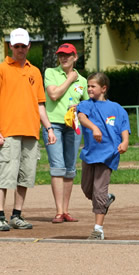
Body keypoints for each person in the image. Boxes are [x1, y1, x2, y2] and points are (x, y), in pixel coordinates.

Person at [0, 28, 56, 231]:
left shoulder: (35, 72)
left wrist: (49, 128)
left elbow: (40, 104)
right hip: (8, 131)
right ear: (10, 46)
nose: (20, 49)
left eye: (23, 46)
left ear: (29, 46)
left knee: (26, 176)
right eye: (16, 46)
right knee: (6, 175)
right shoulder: (0, 70)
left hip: (31, 132)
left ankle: (16, 215)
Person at [77, 72, 130, 240]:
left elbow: (123, 126)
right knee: (87, 189)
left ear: (103, 88)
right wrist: (94, 128)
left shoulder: (116, 108)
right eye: (88, 86)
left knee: (98, 192)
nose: (89, 89)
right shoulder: (86, 104)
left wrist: (125, 141)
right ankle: (105, 199)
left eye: (93, 86)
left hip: (108, 154)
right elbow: (81, 117)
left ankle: (98, 230)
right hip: (90, 154)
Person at [43, 43, 89, 223]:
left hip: (74, 126)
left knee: (70, 168)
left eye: (68, 55)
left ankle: (66, 210)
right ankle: (58, 211)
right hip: (53, 124)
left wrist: (80, 106)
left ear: (75, 57)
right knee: (57, 166)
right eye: (61, 54)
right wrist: (70, 79)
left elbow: (88, 105)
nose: (63, 58)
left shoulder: (83, 81)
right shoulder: (50, 72)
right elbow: (53, 95)